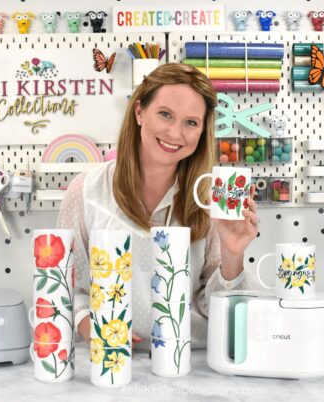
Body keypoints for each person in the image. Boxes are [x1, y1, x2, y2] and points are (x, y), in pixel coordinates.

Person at [57, 63, 259, 351]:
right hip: (113, 361)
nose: (175, 133)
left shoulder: (211, 200)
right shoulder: (86, 191)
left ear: (202, 131)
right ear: (140, 112)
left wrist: (233, 253)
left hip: (192, 362)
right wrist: (89, 326)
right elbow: (67, 287)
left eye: (191, 122)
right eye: (165, 114)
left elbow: (220, 309)